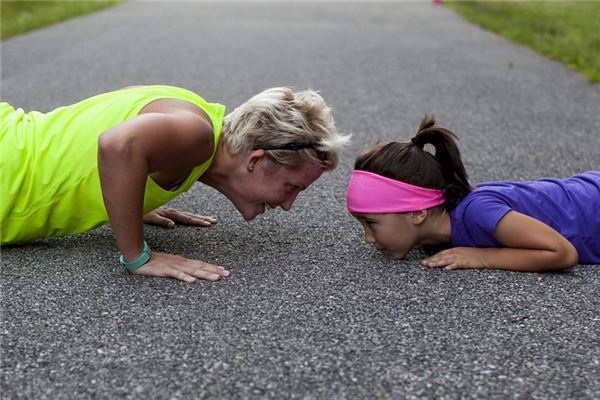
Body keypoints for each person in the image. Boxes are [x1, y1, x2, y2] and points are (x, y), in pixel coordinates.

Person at [1, 85, 350, 282]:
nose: (288, 204)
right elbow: (117, 145)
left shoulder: (194, 115)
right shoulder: (197, 136)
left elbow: (101, 122)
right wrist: (138, 256)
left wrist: (129, 196)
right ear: (256, 160)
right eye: (292, 187)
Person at [346, 114, 599, 272]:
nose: (368, 238)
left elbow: (562, 253)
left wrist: (482, 257)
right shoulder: (436, 229)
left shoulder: (477, 212)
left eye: (372, 223)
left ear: (418, 212)